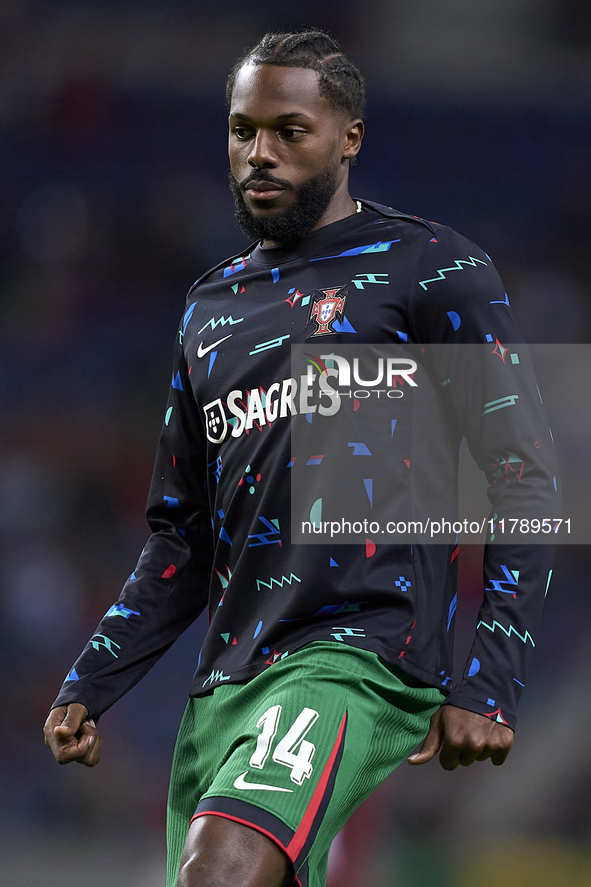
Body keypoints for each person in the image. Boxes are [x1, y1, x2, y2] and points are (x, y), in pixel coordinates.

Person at [44, 30, 559, 887]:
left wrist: (487, 680)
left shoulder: (430, 270)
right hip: (227, 683)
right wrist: (91, 677)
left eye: (289, 130)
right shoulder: (209, 309)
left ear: (348, 137)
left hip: (357, 656)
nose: (260, 153)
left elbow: (523, 478)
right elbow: (181, 538)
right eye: (242, 131)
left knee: (223, 869)